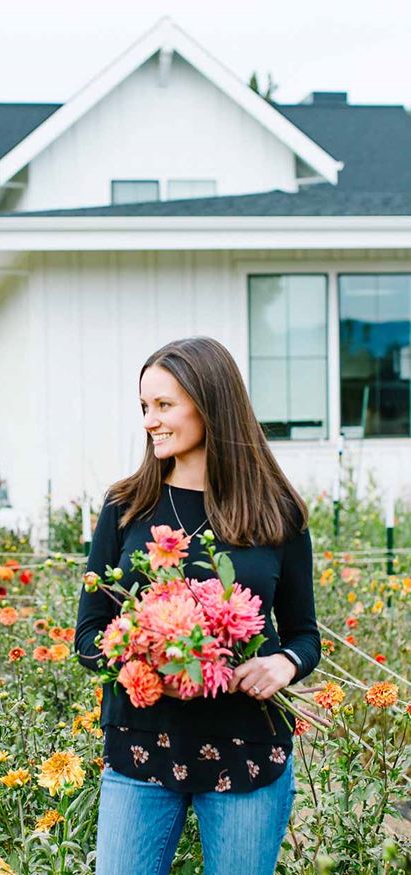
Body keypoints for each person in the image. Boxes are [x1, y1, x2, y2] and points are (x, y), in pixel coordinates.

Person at [74, 336, 320, 875]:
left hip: (247, 747)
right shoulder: (125, 506)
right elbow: (89, 636)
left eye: (164, 405)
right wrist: (144, 655)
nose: (149, 421)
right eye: (144, 407)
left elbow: (304, 633)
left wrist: (284, 663)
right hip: (141, 747)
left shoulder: (277, 513)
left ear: (209, 404)